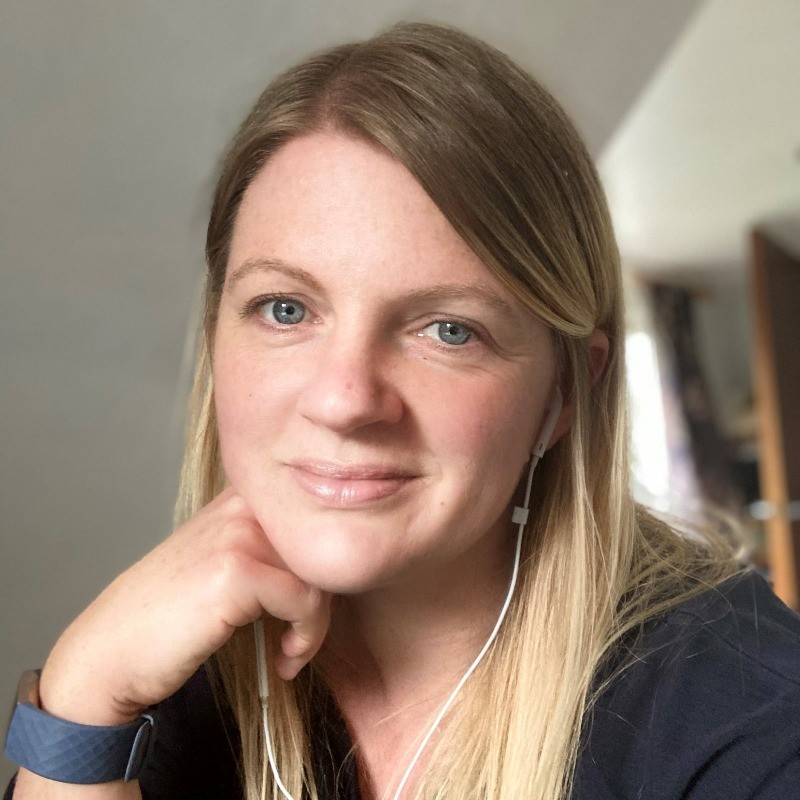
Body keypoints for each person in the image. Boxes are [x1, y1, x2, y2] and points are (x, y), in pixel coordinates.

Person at [5, 21, 800, 800]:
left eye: (449, 330)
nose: (344, 400)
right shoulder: (163, 675)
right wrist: (84, 704)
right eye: (285, 309)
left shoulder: (748, 715)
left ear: (565, 393)